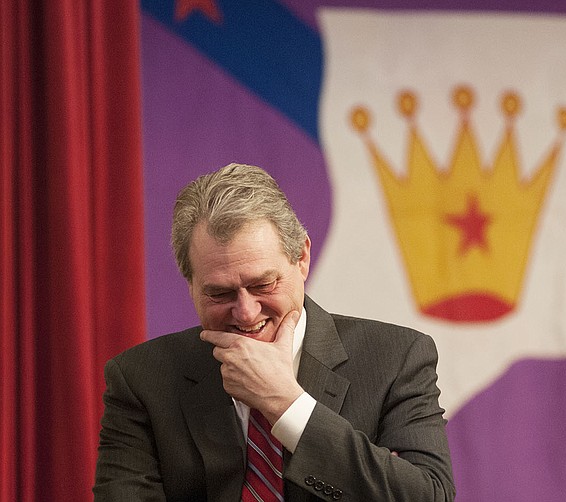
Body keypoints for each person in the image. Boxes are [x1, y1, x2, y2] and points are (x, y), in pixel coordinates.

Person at [93, 163, 455, 501]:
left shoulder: (395, 357)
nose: (246, 312)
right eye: (220, 292)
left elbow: (428, 495)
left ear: (302, 258)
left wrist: (286, 404)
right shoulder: (142, 379)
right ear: (190, 284)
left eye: (263, 284)